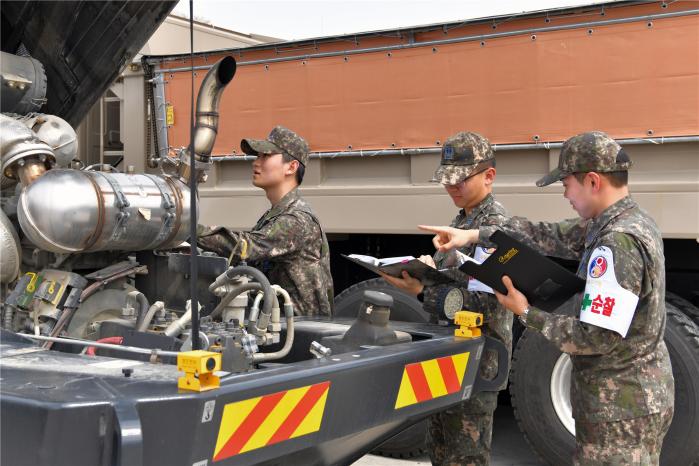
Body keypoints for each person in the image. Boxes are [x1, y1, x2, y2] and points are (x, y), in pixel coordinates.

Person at [420, 131, 674, 465]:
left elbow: (595, 336)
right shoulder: (626, 222)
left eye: (567, 184)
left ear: (593, 181)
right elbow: (548, 235)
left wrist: (526, 311)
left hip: (620, 407)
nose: (565, 194)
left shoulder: (617, 243)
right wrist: (474, 234)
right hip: (630, 399)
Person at [382, 131, 512, 465]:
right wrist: (428, 270)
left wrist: (424, 289)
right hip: (449, 355)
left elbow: (487, 303)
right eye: (447, 181)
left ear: (489, 176)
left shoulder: (492, 228)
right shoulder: (463, 220)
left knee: (464, 456)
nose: (451, 188)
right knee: (440, 452)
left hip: (476, 360)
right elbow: (460, 282)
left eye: (460, 181)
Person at [198, 125, 333, 317]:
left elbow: (245, 248)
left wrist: (188, 229)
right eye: (257, 156)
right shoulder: (276, 214)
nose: (256, 163)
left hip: (299, 333)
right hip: (280, 327)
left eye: (266, 156)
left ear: (291, 167)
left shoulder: (297, 220)